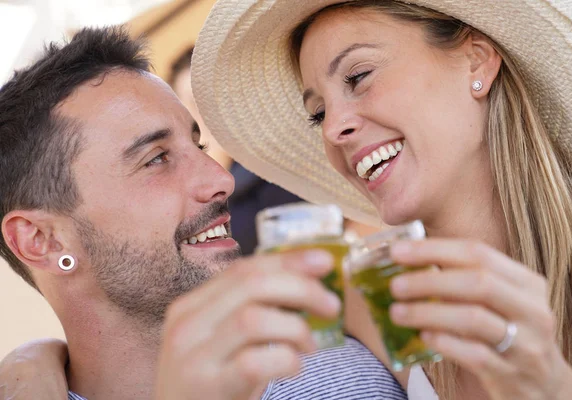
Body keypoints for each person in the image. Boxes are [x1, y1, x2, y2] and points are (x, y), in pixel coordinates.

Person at [185, 0, 572, 399]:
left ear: (476, 60)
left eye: (358, 76)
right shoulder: (377, 301)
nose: (332, 130)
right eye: (318, 113)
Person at [0, 26, 408, 399]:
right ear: (43, 240)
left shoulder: (361, 342)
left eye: (198, 146)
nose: (221, 179)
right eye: (156, 158)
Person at [169, 49, 304, 255]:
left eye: (213, 97)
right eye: (196, 103)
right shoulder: (188, 205)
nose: (208, 113)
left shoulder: (282, 165)